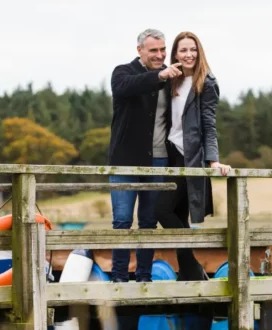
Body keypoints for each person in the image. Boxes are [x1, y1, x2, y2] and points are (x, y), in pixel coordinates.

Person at [107, 28, 184, 283]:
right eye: (154, 50)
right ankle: (119, 278)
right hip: (125, 162)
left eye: (163, 50)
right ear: (139, 50)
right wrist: (159, 75)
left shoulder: (172, 79)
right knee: (122, 221)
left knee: (149, 221)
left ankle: (144, 277)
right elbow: (125, 88)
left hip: (159, 159)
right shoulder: (123, 72)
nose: (160, 54)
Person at [156, 31, 231, 282]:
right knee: (177, 217)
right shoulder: (171, 81)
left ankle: (193, 270)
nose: (188, 55)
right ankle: (192, 276)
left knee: (162, 211)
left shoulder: (206, 82)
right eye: (183, 50)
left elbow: (209, 125)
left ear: (199, 52)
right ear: (175, 54)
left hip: (190, 158)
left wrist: (213, 160)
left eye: (193, 50)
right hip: (168, 154)